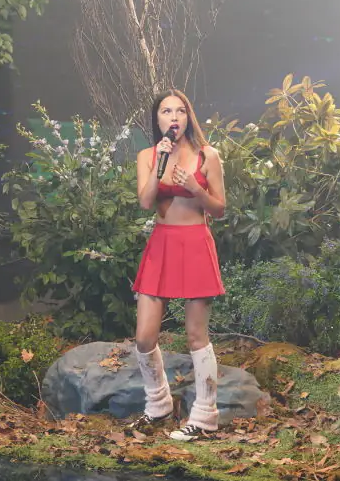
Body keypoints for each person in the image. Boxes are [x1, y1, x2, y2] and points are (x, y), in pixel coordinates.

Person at [131, 89, 227, 442]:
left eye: (180, 111)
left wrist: (196, 189)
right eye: (166, 111)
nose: (174, 117)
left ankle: (204, 417)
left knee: (196, 336)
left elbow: (219, 209)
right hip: (162, 244)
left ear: (188, 117)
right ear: (156, 119)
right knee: (144, 337)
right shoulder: (148, 155)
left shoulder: (207, 155)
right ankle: (158, 405)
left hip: (195, 243)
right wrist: (160, 162)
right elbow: (145, 202)